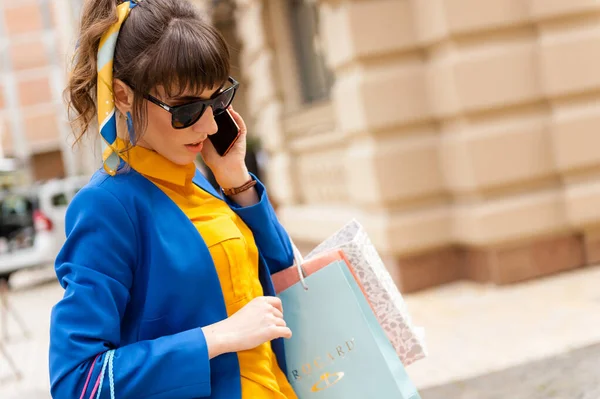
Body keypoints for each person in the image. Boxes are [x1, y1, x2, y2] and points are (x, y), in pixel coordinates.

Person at [48, 0, 298, 398]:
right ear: (123, 96)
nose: (209, 124)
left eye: (217, 101)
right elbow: (80, 381)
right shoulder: (110, 206)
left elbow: (283, 278)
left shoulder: (204, 182)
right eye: (186, 109)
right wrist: (216, 337)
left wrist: (235, 179)